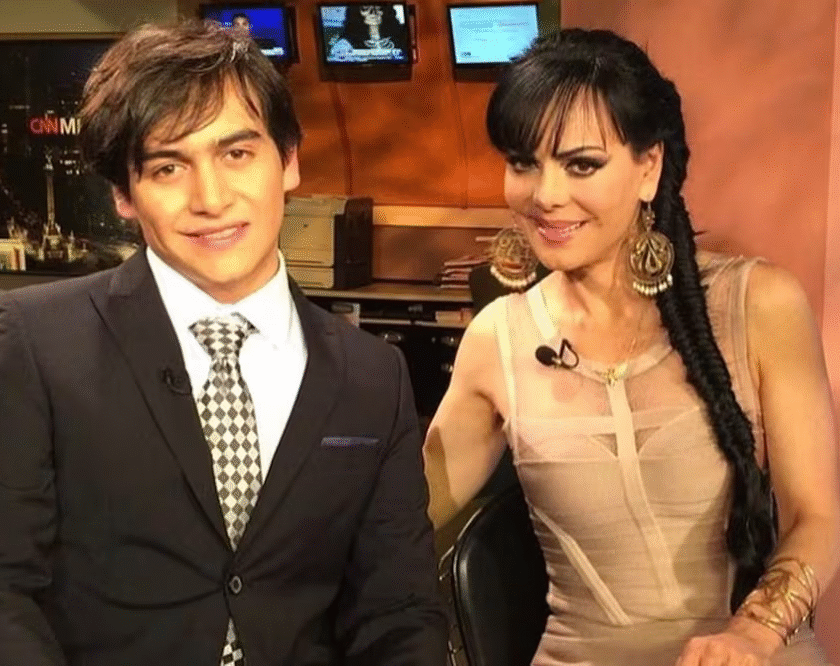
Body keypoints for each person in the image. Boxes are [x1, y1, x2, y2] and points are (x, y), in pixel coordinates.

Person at [0, 19, 446, 666]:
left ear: (288, 161)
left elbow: (398, 613)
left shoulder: (372, 376)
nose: (210, 199)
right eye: (168, 167)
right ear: (124, 195)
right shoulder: (34, 343)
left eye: (237, 154)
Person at [424, 28, 840, 666]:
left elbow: (819, 518)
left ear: (649, 167)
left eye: (581, 164)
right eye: (523, 162)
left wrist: (753, 633)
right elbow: (402, 519)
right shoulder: (497, 339)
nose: (545, 194)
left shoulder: (761, 304)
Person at [328, 5, 407, 63]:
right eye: (365, 9)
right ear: (355, 13)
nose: (373, 13)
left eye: (379, 8)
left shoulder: (400, 38)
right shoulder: (345, 43)